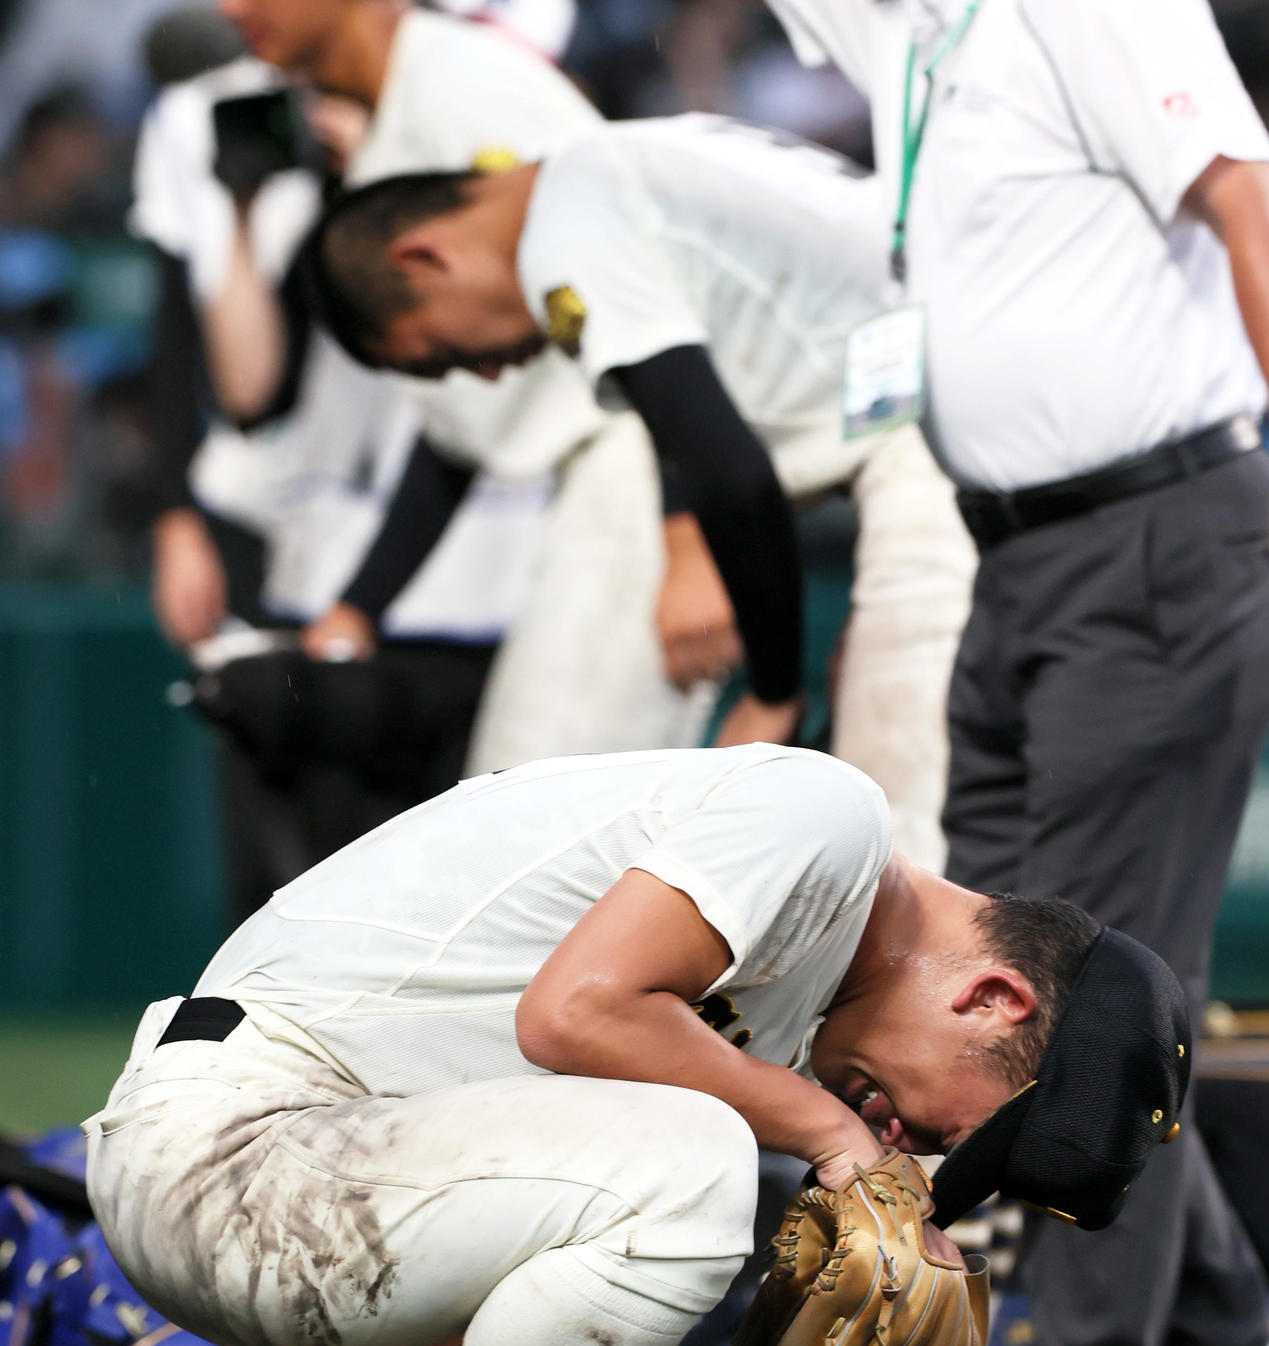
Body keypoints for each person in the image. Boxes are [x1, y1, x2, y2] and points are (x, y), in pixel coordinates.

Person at [84, 742, 1189, 1346]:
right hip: (239, 1148)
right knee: (699, 1156)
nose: (919, 1146)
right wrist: (825, 1132)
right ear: (992, 998)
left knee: (678, 1150)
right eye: (967, 1129)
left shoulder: (784, 984)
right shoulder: (827, 815)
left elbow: (509, 1202)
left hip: (297, 1173)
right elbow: (573, 1010)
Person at [762, 0, 1269, 1346]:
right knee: (993, 967)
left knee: (1081, 997)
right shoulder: (920, 34)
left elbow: (1256, 202)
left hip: (1158, 534)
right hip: (1021, 561)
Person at [306, 111, 976, 866]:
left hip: (950, 407)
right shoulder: (612, 164)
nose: (486, 373)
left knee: (905, 820)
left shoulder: (567, 228)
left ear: (424, 258)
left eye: (444, 354)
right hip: (943, 385)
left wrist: (772, 690)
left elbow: (729, 472)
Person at [212, 0, 736, 768]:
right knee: (533, 810)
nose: (230, 7)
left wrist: (690, 539)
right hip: (624, 466)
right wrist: (359, 607)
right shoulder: (395, 115)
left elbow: (665, 290)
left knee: (543, 818)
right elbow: (467, 416)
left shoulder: (466, 91)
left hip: (653, 461)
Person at [135, 39, 526, 921]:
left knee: (455, 870)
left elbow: (461, 398)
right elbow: (240, 389)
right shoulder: (213, 115)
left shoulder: (457, 87)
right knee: (283, 856)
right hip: (286, 529)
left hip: (475, 543)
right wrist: (175, 517)